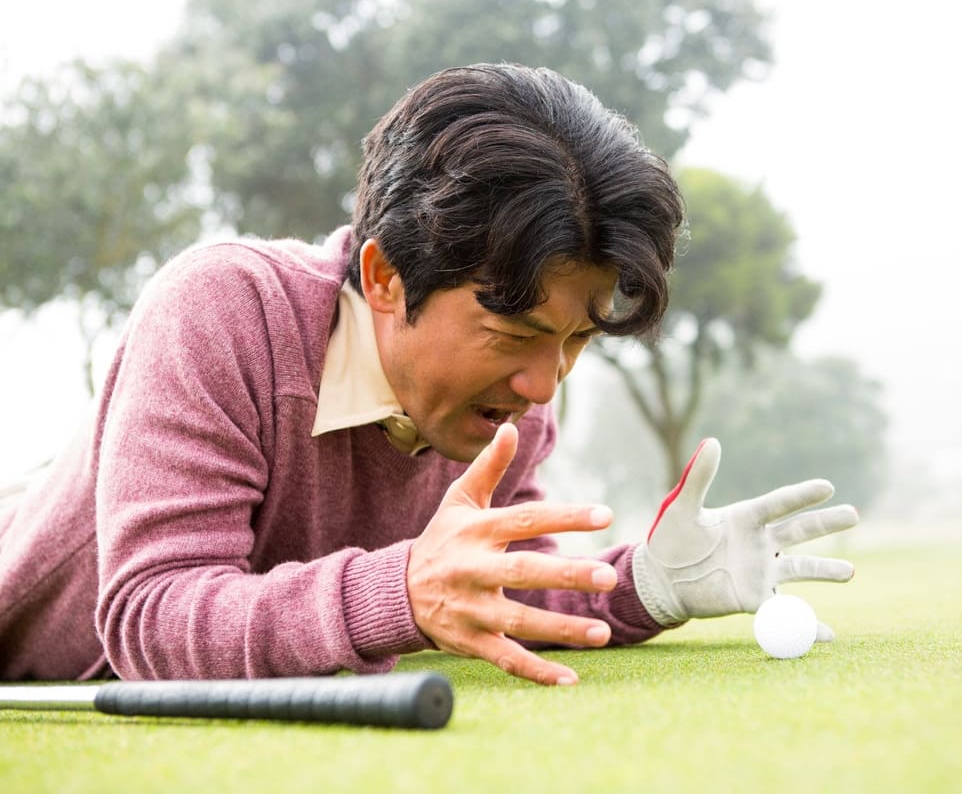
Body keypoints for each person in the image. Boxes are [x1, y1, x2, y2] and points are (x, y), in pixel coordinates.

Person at [0, 63, 858, 685]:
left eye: (576, 340)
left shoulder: (510, 402)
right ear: (383, 278)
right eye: (514, 330)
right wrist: (400, 590)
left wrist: (644, 587)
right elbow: (150, 616)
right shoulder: (220, 309)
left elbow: (496, 592)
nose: (543, 385)